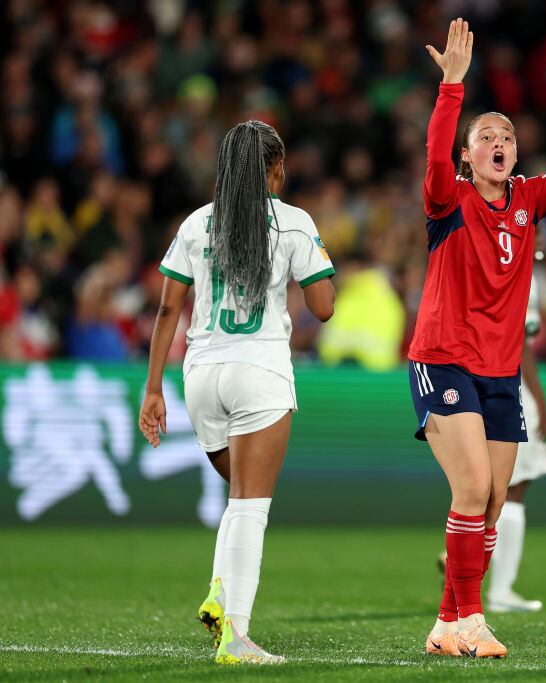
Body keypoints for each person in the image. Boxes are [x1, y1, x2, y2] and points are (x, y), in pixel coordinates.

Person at [412, 18, 546, 659]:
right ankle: (473, 618)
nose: (499, 142)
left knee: (494, 503)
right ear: (468, 155)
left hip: (500, 369)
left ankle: (447, 623)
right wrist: (452, 88)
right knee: (472, 489)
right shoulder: (448, 199)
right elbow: (433, 157)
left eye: (506, 135)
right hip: (444, 359)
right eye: (486, 136)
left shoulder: (530, 199)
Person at [138, 120, 335, 665]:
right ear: (275, 169)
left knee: (239, 495)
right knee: (252, 504)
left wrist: (152, 390)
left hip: (200, 377)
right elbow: (323, 308)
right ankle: (237, 635)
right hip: (260, 372)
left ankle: (220, 594)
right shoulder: (292, 222)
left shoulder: (196, 223)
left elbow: (166, 310)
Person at [487, 275, 546, 613]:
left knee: (488, 489)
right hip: (508, 384)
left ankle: (461, 562)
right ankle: (501, 590)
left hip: (477, 381)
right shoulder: (522, 270)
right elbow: (520, 344)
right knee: (512, 489)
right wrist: (541, 402)